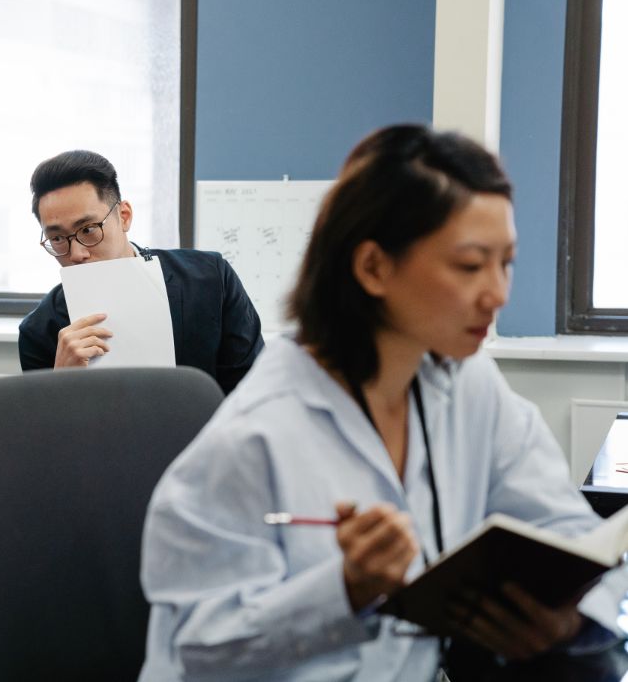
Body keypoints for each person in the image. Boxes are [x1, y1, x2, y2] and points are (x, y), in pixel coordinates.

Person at [138, 125, 627, 681]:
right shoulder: (253, 436)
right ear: (373, 267)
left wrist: (564, 623)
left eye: (506, 262)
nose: (498, 293)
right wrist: (343, 592)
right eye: (470, 266)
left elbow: (573, 536)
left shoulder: (471, 387)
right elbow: (197, 652)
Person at [18, 149, 263, 394]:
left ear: (124, 216)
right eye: (58, 238)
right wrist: (60, 383)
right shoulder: (39, 332)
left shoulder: (210, 279)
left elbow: (252, 393)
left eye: (88, 229)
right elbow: (51, 431)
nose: (76, 253)